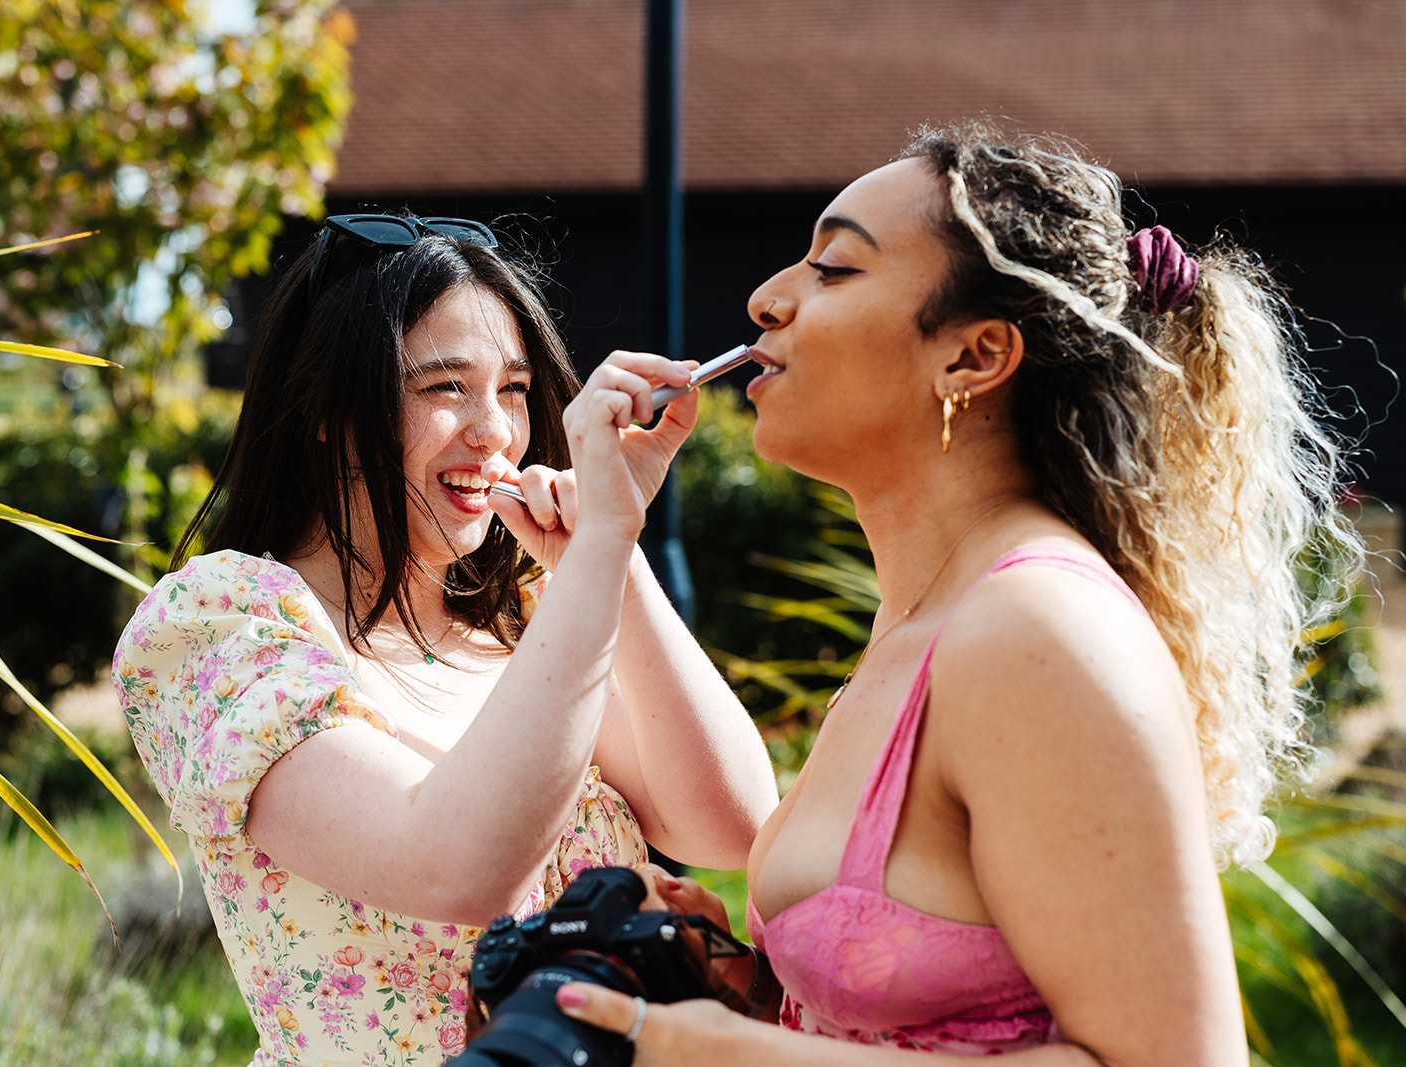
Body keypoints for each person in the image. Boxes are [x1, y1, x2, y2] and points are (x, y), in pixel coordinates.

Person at [550, 124, 1360, 1065]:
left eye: (834, 268)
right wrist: (741, 979)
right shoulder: (921, 618)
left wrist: (728, 1057)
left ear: (974, 357)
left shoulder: (1035, 629)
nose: (767, 299)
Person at [111, 213, 778, 1067]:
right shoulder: (221, 629)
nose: (496, 429)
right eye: (443, 388)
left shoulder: (532, 611)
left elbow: (731, 824)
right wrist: (598, 553)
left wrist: (613, 549)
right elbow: (461, 869)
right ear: (323, 408)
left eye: (513, 388)